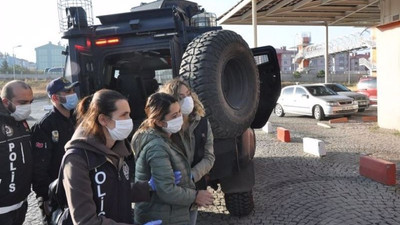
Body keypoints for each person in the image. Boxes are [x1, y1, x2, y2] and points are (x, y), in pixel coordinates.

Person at [61, 89, 162, 225]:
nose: (129, 121)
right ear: (103, 119)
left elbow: (115, 190)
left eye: (129, 115)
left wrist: (147, 188)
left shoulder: (118, 150)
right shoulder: (77, 159)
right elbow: (85, 221)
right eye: (124, 115)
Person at [131, 92, 214, 225]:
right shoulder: (157, 147)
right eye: (174, 116)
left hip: (168, 215)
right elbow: (167, 190)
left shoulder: (167, 138)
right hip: (161, 217)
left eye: (180, 112)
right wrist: (195, 196)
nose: (180, 117)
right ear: (159, 122)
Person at [159, 78, 215, 225]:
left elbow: (209, 157)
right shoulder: (166, 126)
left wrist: (191, 176)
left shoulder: (202, 122)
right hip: (172, 193)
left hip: (194, 189)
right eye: (181, 97)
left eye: (188, 94)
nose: (187, 99)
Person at [31, 77, 79, 225]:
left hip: (75, 186)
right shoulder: (45, 125)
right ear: (55, 97)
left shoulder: (75, 119)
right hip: (54, 192)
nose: (73, 94)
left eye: (72, 90)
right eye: (68, 91)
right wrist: (45, 197)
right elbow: (39, 166)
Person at [0, 80, 34, 225]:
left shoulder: (21, 120)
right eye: (23, 102)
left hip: (20, 202)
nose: (28, 107)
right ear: (6, 102)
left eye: (30, 101)